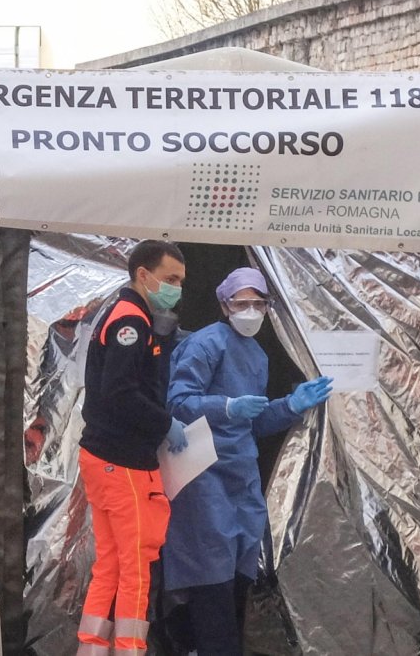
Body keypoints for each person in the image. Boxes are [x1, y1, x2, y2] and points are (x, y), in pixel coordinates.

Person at [163, 267, 332, 655]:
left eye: (260, 303)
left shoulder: (256, 355)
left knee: (236, 580)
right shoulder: (205, 345)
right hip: (203, 479)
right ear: (225, 305)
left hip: (240, 481)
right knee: (210, 581)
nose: (252, 311)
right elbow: (178, 402)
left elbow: (252, 424)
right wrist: (226, 406)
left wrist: (289, 406)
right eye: (243, 303)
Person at [77, 240, 189, 656]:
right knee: (136, 566)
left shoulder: (131, 315)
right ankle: (128, 650)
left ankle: (91, 649)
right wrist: (165, 423)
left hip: (104, 458)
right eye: (171, 279)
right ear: (144, 275)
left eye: (180, 281)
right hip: (123, 463)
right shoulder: (131, 320)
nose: (176, 288)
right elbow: (120, 392)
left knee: (109, 562)